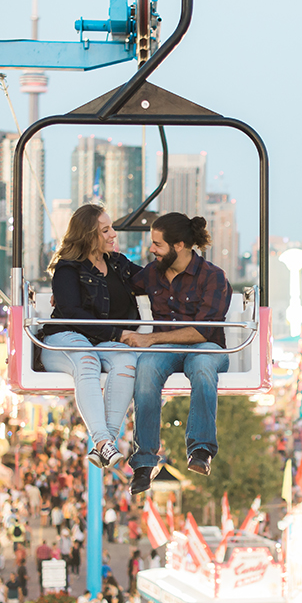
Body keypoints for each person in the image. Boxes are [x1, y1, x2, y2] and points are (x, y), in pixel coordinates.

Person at [124, 213, 231, 494]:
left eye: (158, 245)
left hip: (205, 346)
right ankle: (144, 461)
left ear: (179, 245)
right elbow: (119, 286)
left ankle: (201, 449)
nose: (152, 250)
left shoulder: (213, 277)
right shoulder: (151, 273)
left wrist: (151, 339)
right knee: (145, 370)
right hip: (165, 350)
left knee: (203, 367)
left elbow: (203, 331)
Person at [42, 204, 141, 470]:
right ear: (88, 234)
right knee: (86, 360)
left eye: (112, 228)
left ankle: (104, 443)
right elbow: (73, 314)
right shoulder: (67, 270)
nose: (113, 235)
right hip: (64, 339)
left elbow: (149, 280)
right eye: (105, 230)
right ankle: (103, 441)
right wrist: (118, 333)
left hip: (100, 342)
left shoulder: (118, 264)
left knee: (126, 361)